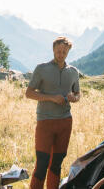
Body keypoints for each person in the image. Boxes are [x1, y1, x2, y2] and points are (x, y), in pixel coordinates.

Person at [25, 36, 81, 189]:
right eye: (58, 51)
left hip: (65, 122)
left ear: (68, 52)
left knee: (57, 163)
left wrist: (73, 98)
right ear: (53, 50)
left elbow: (78, 94)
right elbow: (29, 93)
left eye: (64, 51)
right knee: (42, 163)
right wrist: (51, 98)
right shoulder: (42, 69)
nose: (61, 54)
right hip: (45, 121)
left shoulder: (73, 71)